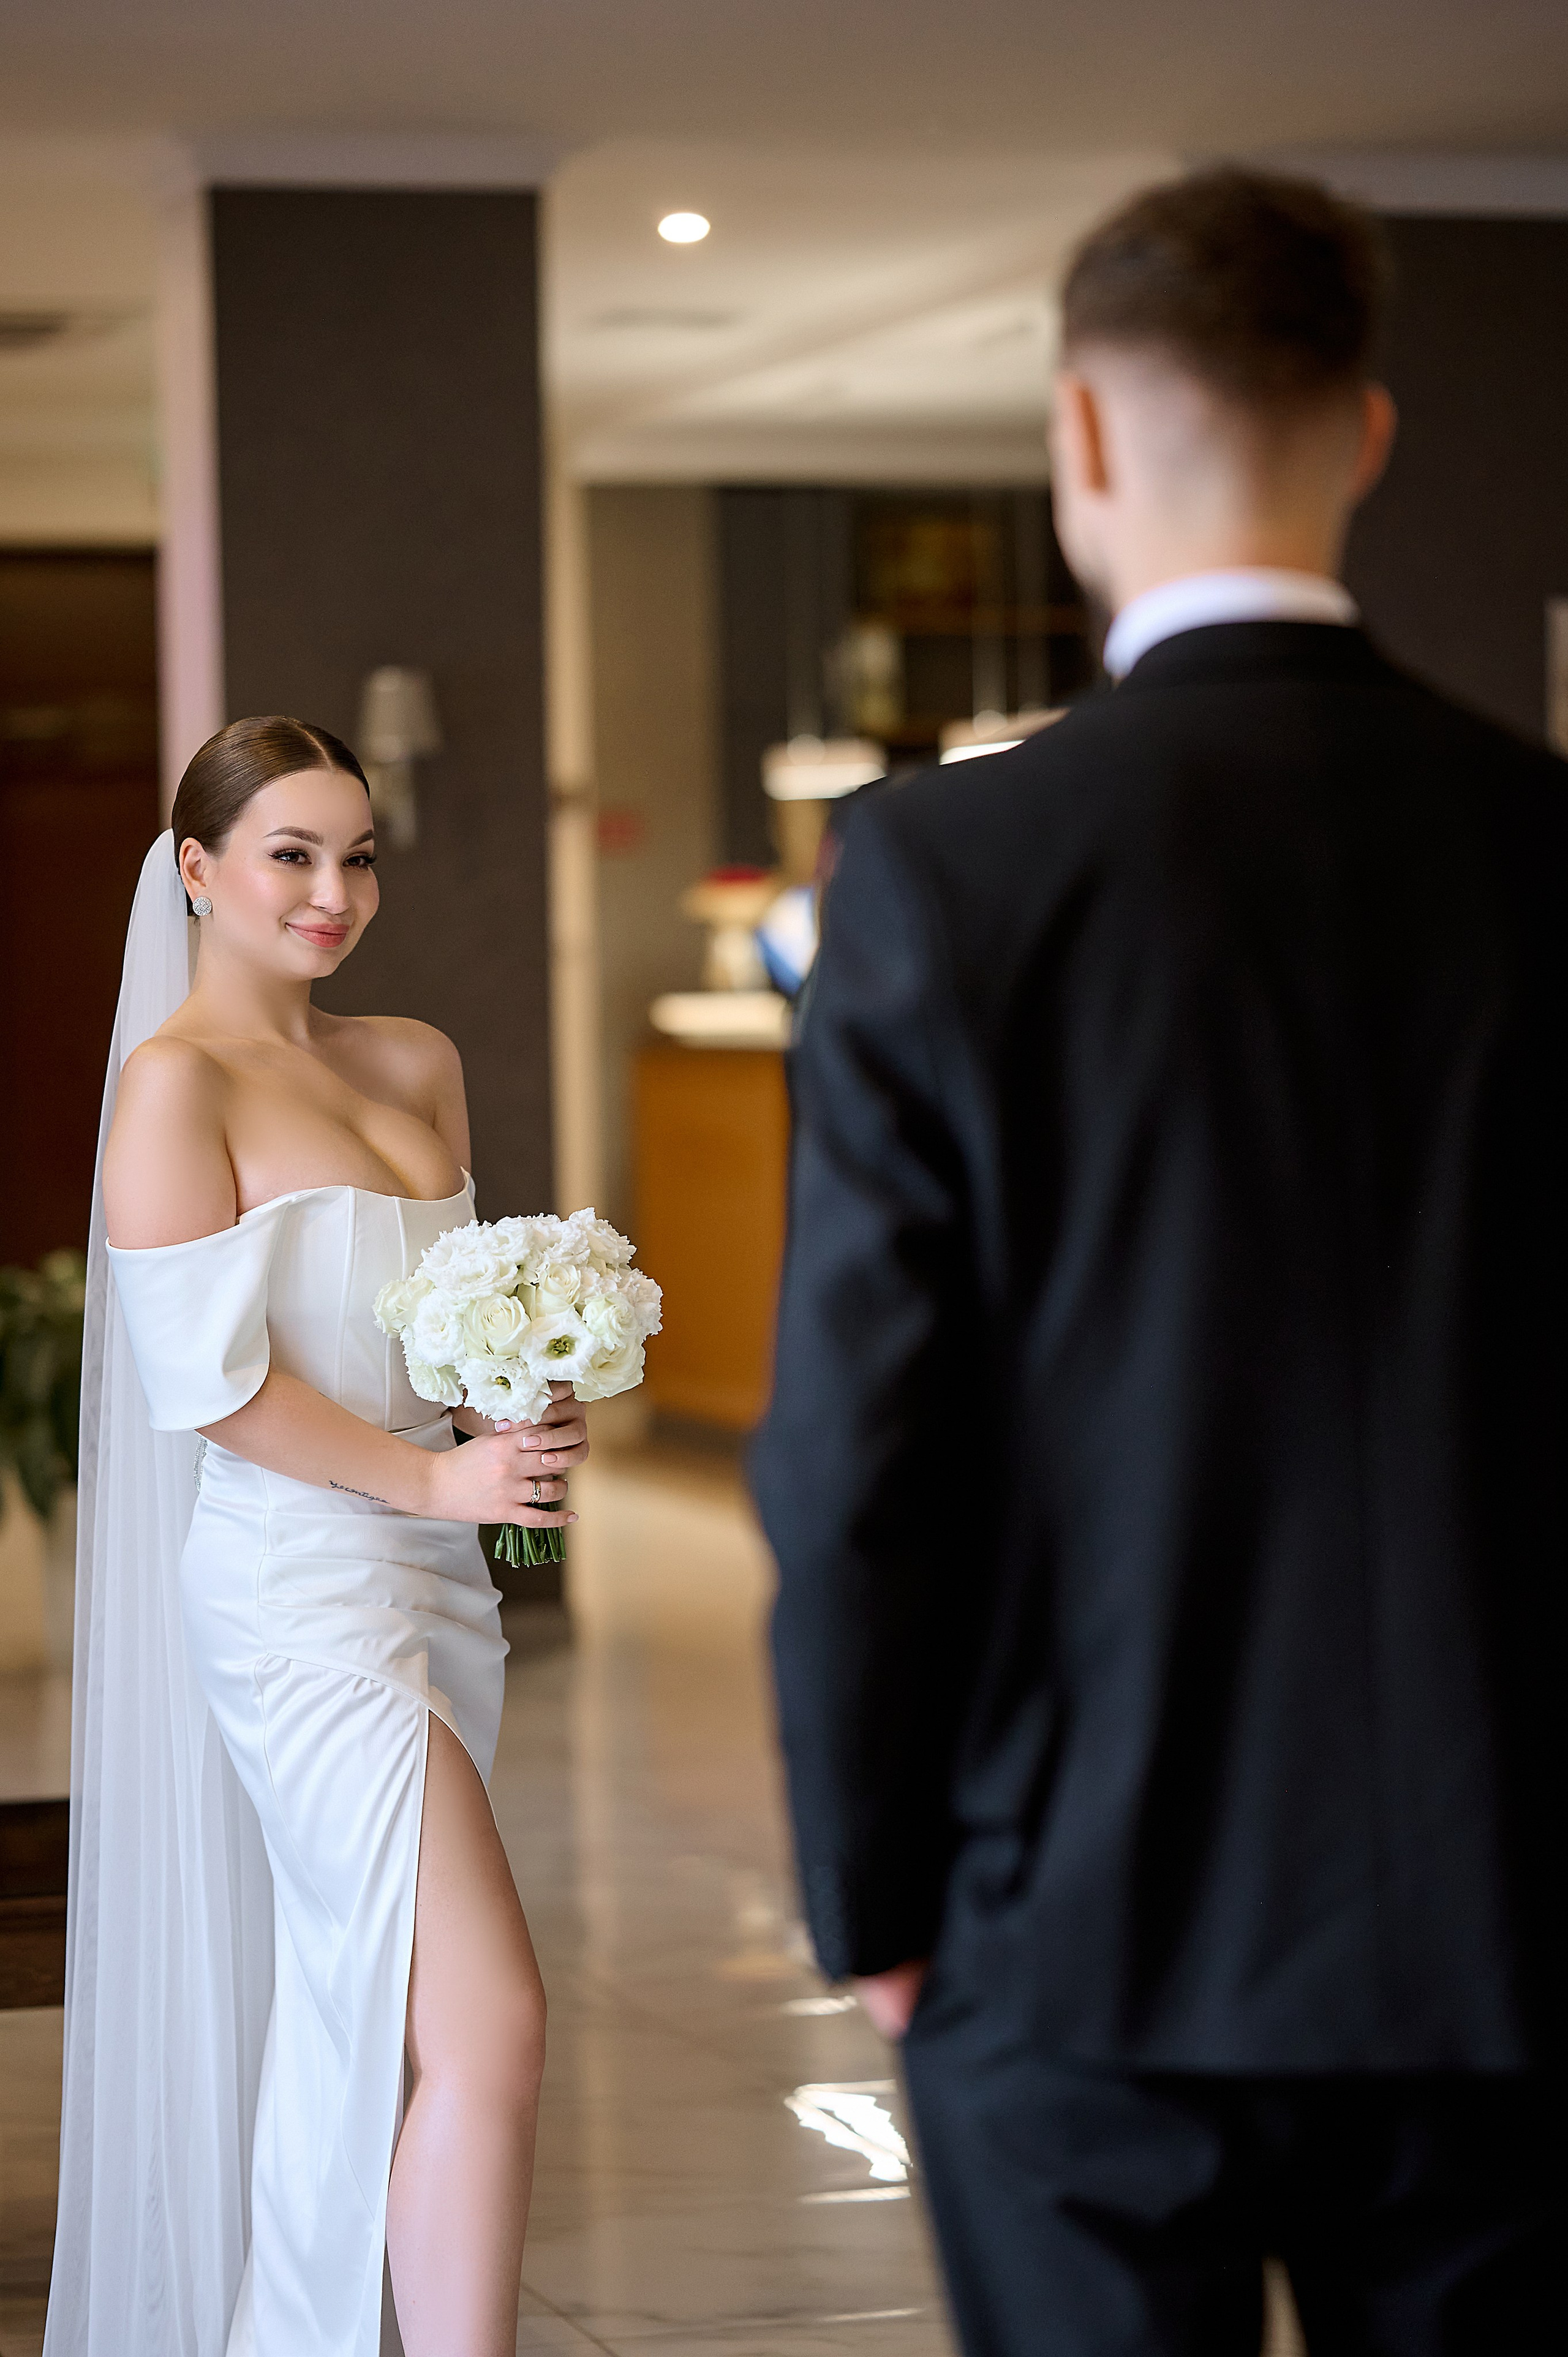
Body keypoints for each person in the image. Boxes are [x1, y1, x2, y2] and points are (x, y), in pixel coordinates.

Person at [752, 167, 1566, 2356]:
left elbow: (854, 1459)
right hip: (1519, 1934)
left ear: (1082, 442)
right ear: (1371, 434)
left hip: (1079, 1927)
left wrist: (878, 1898)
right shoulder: (1546, 849)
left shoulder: (940, 870)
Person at [46, 717, 582, 2357]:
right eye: (293, 854)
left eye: (357, 855)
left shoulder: (413, 1056)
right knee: (492, 2021)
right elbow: (212, 1388)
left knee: (391, 2019)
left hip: (437, 1577)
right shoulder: (174, 1089)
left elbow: (442, 1323)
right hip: (300, 1587)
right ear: (200, 870)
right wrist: (428, 1487)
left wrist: (515, 1407)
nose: (334, 891)